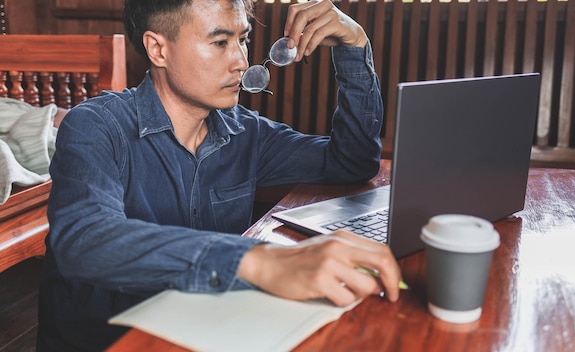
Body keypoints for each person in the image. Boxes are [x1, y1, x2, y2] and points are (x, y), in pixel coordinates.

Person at [37, 0, 402, 350]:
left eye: (242, 39)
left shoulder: (246, 133)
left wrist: (355, 45)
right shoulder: (97, 126)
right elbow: (84, 241)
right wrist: (259, 260)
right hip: (114, 344)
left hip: (212, 332)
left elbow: (352, 162)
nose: (241, 61)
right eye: (220, 42)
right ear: (158, 49)